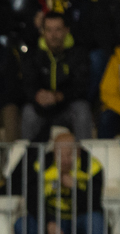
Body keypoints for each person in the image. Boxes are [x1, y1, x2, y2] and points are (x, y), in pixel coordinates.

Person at [10, 132, 105, 234]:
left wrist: (74, 188)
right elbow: (33, 201)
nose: (65, 160)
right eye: (60, 155)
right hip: (52, 219)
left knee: (96, 221)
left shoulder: (93, 166)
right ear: (53, 153)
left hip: (80, 220)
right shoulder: (41, 165)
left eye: (70, 154)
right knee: (21, 225)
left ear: (78, 152)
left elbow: (94, 203)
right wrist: (47, 223)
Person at [21, 12, 92, 141]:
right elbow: (27, 83)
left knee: (82, 109)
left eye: (58, 29)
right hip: (41, 108)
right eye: (49, 30)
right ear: (43, 32)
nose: (53, 35)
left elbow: (81, 86)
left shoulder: (78, 53)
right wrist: (37, 95)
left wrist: (59, 96)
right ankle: (28, 154)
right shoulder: (34, 54)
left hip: (67, 107)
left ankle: (85, 152)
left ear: (66, 30)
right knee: (28, 112)